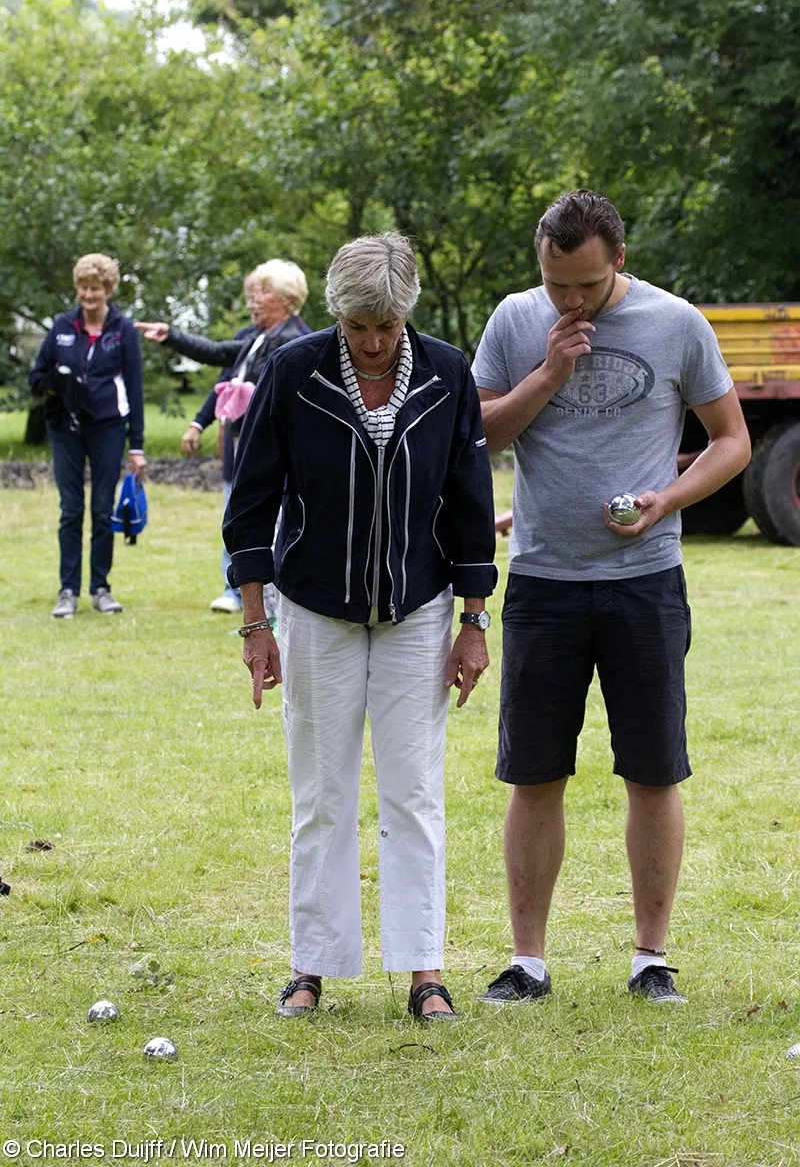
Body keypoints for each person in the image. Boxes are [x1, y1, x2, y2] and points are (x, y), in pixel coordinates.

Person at [472, 191, 751, 1005]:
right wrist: (551, 368)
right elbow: (482, 432)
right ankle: (527, 961)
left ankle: (650, 958)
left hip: (645, 584)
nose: (569, 300)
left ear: (618, 260)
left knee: (653, 772)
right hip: (543, 582)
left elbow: (731, 440)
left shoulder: (676, 324)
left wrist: (665, 500)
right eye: (556, 283)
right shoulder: (516, 322)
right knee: (535, 775)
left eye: (586, 287)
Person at [223, 233, 497, 1021]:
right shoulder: (292, 370)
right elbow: (251, 502)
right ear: (338, 317)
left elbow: (471, 503)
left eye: (386, 325)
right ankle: (312, 965)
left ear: (406, 313)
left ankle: (424, 971)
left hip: (418, 610)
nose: (374, 342)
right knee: (321, 794)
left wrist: (474, 622)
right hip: (315, 609)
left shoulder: (448, 374)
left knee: (413, 793)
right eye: (358, 327)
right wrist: (255, 625)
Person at [136, 259, 311, 613]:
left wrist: (247, 394)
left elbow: (285, 398)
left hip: (273, 452)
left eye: (262, 292)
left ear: (287, 298)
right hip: (245, 444)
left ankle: (271, 605)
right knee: (239, 513)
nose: (252, 301)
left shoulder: (295, 340)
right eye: (251, 293)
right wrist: (172, 336)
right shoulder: (256, 337)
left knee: (269, 523)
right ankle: (240, 591)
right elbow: (217, 354)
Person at [29, 253, 146, 618]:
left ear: (107, 289)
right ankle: (67, 590)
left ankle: (100, 588)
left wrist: (137, 445)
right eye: (82, 287)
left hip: (108, 428)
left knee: (101, 509)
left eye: (95, 288)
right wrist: (56, 384)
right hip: (65, 428)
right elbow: (36, 379)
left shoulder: (122, 330)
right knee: (71, 509)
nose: (88, 295)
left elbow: (134, 388)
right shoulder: (62, 327)